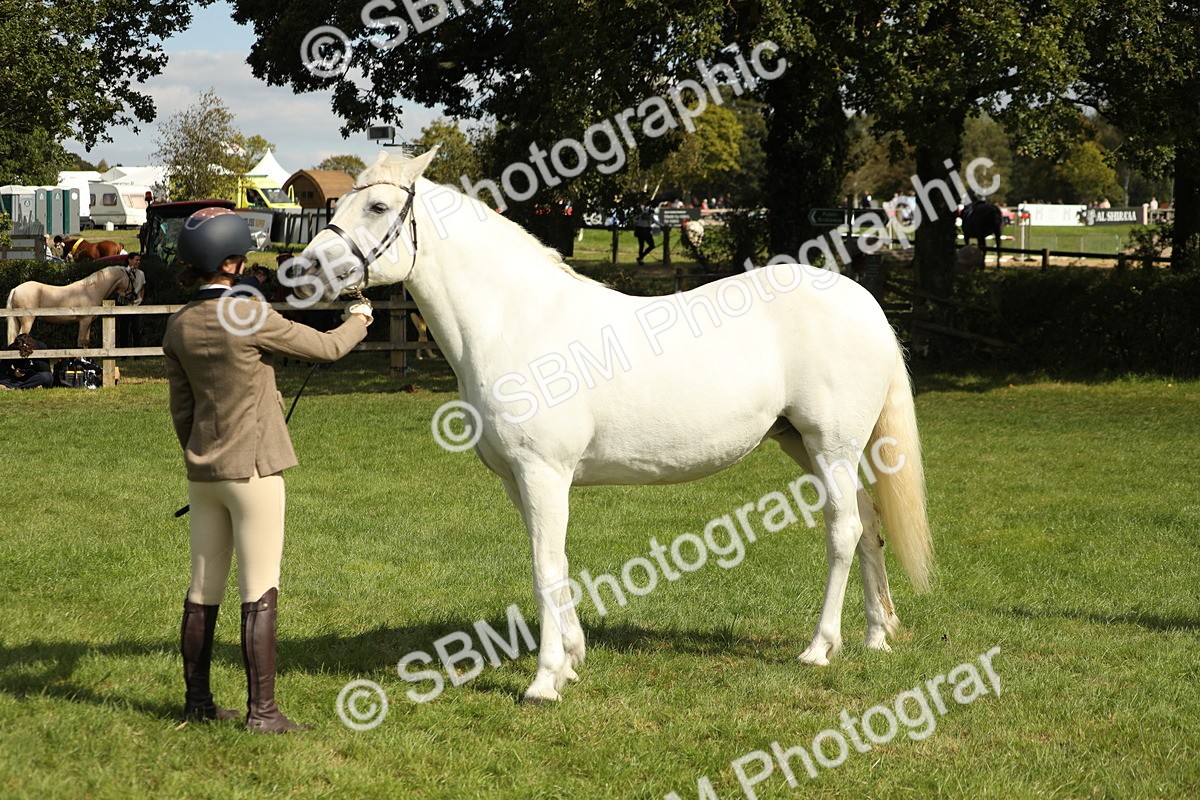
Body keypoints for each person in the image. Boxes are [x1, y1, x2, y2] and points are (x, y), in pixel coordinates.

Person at [162, 207, 372, 733]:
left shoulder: (179, 324)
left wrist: (201, 455)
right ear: (232, 260)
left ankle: (199, 703)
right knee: (259, 589)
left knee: (202, 590)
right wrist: (360, 319)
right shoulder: (249, 315)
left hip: (203, 474)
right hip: (254, 472)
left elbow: (182, 411)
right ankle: (264, 712)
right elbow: (325, 348)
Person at [117, 253, 147, 348]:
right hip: (124, 304)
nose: (138, 262)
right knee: (123, 329)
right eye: (136, 260)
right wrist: (121, 293)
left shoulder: (141, 273)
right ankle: (123, 354)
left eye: (139, 260)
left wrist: (141, 299)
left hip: (136, 305)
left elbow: (142, 287)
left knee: (136, 329)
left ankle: (136, 354)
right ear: (129, 260)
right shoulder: (122, 272)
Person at [633, 200, 656, 265]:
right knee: (651, 245)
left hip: (640, 229)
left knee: (641, 246)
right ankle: (641, 257)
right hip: (644, 229)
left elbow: (635, 220)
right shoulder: (648, 210)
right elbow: (653, 221)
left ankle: (640, 258)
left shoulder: (639, 210)